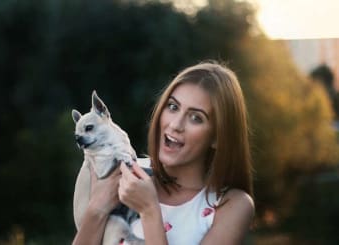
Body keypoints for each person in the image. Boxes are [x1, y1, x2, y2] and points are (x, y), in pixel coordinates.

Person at [73, 61, 254, 245]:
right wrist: (97, 208)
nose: (175, 125)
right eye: (173, 107)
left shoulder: (232, 206)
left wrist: (150, 210)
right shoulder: (122, 173)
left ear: (217, 136)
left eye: (196, 118)